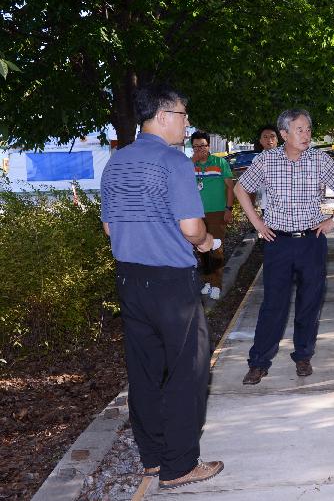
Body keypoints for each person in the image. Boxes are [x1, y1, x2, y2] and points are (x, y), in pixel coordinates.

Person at [100, 83, 223, 489]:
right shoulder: (174, 162)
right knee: (188, 371)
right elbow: (191, 228)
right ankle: (180, 465)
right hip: (170, 282)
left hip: (129, 279)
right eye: (184, 116)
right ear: (164, 116)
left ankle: (152, 458)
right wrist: (207, 243)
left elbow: (108, 224)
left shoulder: (116, 162)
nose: (187, 126)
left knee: (145, 370)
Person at [235, 108, 334, 384]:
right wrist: (257, 223)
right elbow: (241, 188)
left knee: (309, 302)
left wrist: (333, 219)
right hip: (277, 242)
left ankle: (303, 356)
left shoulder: (319, 159)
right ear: (284, 133)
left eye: (308, 129)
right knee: (272, 305)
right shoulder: (267, 160)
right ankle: (259, 362)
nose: (306, 135)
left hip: (311, 241)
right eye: (300, 129)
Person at [190, 130, 234, 300]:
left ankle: (216, 284)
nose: (200, 149)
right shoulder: (189, 165)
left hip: (217, 212)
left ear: (209, 146)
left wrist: (228, 208)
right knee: (201, 249)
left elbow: (230, 187)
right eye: (196, 146)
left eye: (203, 145)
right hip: (195, 214)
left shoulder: (219, 162)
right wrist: (191, 162)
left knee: (216, 248)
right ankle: (208, 280)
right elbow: (179, 183)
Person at [251, 125, 283, 214]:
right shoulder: (257, 159)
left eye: (272, 136)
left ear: (277, 139)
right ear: (260, 141)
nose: (269, 139)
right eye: (265, 137)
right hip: (267, 205)